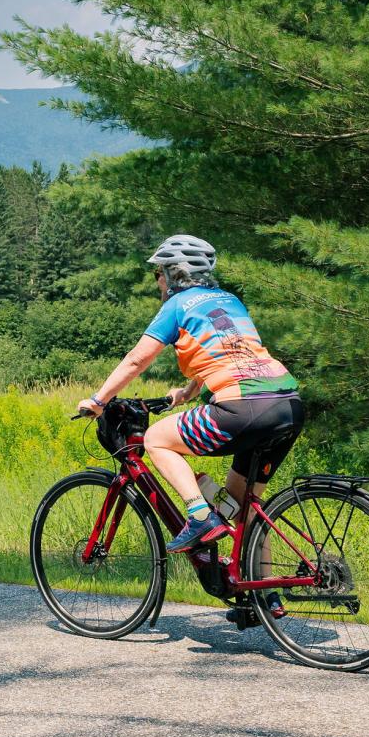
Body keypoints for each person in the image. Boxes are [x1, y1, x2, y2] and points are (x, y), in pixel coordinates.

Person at [76, 235, 303, 563]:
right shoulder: (229, 300)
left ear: (173, 273)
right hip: (288, 404)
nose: (157, 280)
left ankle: (199, 516)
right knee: (243, 506)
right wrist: (188, 391)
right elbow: (233, 351)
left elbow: (138, 359)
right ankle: (264, 598)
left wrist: (99, 399)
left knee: (156, 439)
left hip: (244, 407)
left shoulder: (177, 305)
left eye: (159, 273)